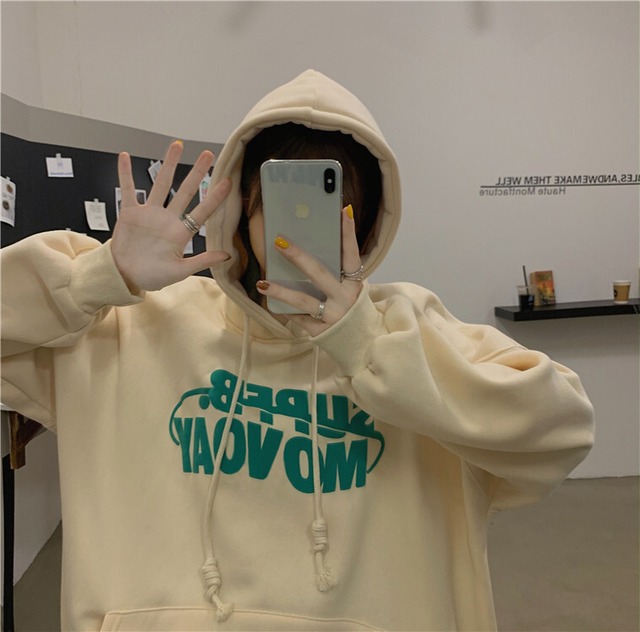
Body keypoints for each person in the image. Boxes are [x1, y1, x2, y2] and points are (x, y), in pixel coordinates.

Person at [1, 69, 594, 632]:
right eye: (279, 204)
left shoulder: (409, 330)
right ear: (242, 216)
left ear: (365, 228)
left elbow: (562, 430)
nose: (297, 231)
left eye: (332, 207)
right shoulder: (130, 328)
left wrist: (370, 350)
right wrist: (97, 280)